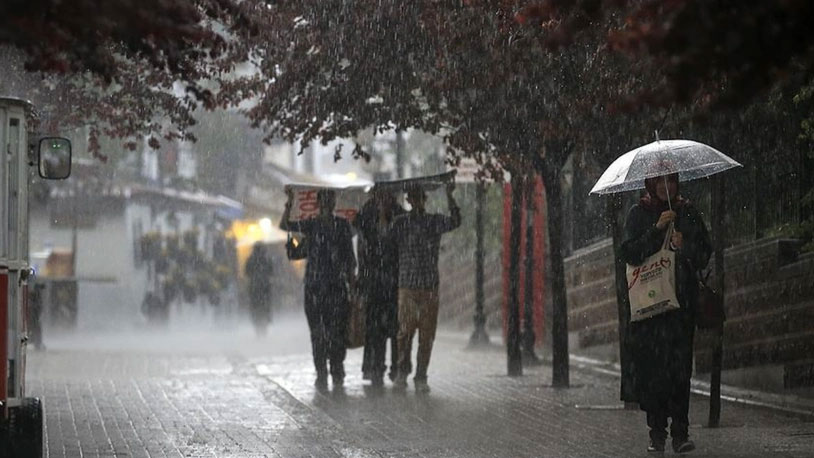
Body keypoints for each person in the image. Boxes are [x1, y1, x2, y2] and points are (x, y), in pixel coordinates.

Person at [619, 173, 712, 454]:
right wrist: (656, 230)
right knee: (654, 372)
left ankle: (680, 433)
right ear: (650, 184)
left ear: (676, 183)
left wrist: (686, 247)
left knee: (680, 371)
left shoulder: (687, 211)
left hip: (680, 307)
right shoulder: (639, 213)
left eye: (670, 180)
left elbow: (705, 253)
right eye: (659, 181)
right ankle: (656, 433)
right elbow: (630, 253)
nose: (665, 186)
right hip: (650, 310)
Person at [280, 189, 356, 390]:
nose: (327, 204)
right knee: (318, 333)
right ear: (319, 203)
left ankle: (337, 369)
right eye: (324, 201)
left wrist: (352, 283)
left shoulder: (342, 226)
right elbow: (285, 225)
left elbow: (349, 258)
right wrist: (289, 203)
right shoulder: (311, 225)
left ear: (333, 203)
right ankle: (321, 371)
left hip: (337, 287)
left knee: (337, 332)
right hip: (315, 288)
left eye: (330, 201)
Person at [390, 180, 461, 393]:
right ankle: (403, 371)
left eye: (419, 197)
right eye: (412, 197)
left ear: (424, 199)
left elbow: (456, 221)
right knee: (405, 331)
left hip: (429, 285)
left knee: (427, 334)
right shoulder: (400, 222)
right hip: (408, 286)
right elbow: (385, 239)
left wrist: (450, 196)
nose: (416, 201)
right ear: (409, 200)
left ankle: (421, 375)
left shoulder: (434, 221)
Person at [354, 187, 405, 387]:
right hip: (374, 281)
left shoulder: (399, 215)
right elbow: (360, 238)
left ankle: (396, 367)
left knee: (394, 327)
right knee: (375, 328)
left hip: (393, 280)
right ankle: (376, 367)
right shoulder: (367, 214)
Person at [245, 242, 274, 336]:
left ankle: (257, 327)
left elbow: (246, 272)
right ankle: (264, 326)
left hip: (254, 288)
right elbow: (271, 271)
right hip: (265, 287)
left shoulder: (250, 259)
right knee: (265, 307)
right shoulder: (267, 258)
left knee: (255, 308)